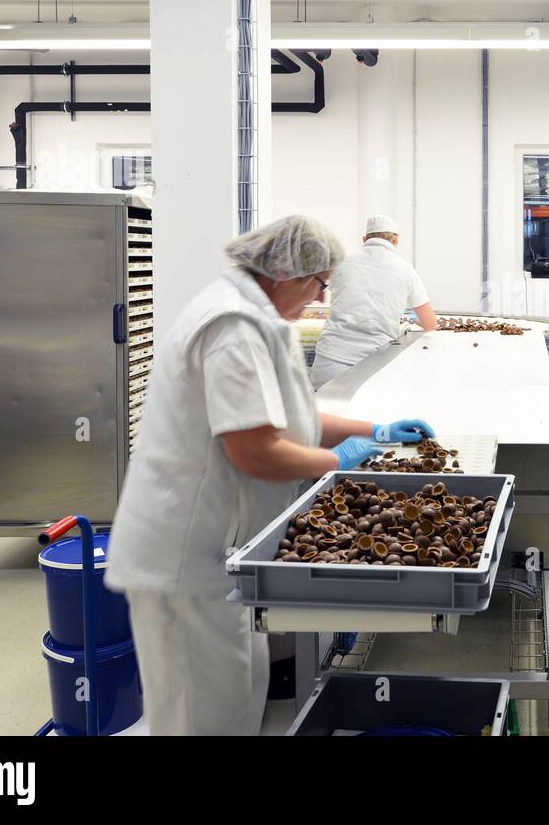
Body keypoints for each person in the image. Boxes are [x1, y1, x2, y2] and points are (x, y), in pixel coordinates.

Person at [104, 215, 435, 735]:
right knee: (202, 717)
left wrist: (379, 430)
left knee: (239, 695)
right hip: (185, 559)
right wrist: (339, 461)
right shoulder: (232, 326)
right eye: (319, 285)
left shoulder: (260, 319)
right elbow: (255, 452)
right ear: (289, 275)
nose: (319, 298)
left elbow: (290, 418)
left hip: (223, 555)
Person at [309, 214, 438, 390]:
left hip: (330, 360)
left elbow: (315, 287)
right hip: (373, 365)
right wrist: (411, 319)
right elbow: (430, 323)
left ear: (364, 239)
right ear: (395, 240)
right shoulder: (405, 269)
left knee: (324, 413)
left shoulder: (341, 259)